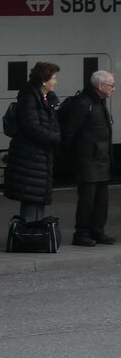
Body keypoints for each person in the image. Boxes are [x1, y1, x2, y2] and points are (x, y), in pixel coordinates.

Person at [58, 69, 115, 246]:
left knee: (102, 199)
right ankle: (81, 233)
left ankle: (97, 230)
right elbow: (69, 131)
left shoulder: (99, 101)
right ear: (100, 86)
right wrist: (73, 155)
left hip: (101, 158)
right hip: (87, 159)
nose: (114, 88)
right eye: (111, 85)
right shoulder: (84, 103)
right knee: (87, 200)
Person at [4, 61, 62, 223]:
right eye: (54, 78)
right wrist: (54, 138)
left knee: (37, 195)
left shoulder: (46, 98)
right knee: (31, 195)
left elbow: (52, 123)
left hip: (39, 156)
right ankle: (29, 232)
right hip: (29, 156)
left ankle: (35, 231)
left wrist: (54, 136)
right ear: (44, 80)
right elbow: (32, 126)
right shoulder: (29, 98)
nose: (55, 82)